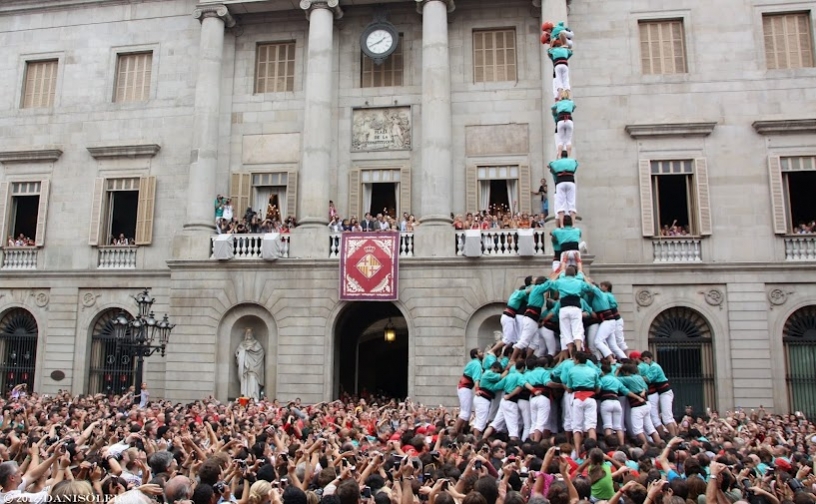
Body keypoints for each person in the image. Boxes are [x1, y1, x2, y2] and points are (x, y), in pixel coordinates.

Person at [640, 350, 678, 436]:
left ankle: (673, 437)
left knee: (667, 418)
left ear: (650, 358)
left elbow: (649, 379)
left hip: (665, 392)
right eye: (643, 360)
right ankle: (675, 436)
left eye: (646, 359)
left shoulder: (654, 367)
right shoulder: (651, 367)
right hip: (662, 393)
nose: (645, 361)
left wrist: (638, 377)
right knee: (668, 417)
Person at [455, 348, 483, 434]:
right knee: (465, 413)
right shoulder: (476, 364)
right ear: (476, 355)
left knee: (467, 413)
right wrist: (477, 390)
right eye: (480, 352)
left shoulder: (475, 363)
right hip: (464, 388)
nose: (483, 353)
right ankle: (453, 433)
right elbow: (476, 379)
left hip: (464, 388)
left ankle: (463, 432)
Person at [548, 152, 578, 229]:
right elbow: (576, 165)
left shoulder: (557, 162)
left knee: (560, 204)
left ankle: (561, 225)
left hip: (560, 182)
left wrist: (557, 160)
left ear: (561, 156)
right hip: (571, 181)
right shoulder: (572, 161)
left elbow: (550, 165)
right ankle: (574, 224)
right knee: (571, 203)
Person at [235, 327, 265, 400]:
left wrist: (251, 349)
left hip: (254, 367)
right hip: (245, 368)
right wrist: (243, 352)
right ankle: (244, 396)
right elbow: (237, 353)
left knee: (253, 380)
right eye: (247, 333)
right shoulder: (242, 344)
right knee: (245, 381)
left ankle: (254, 397)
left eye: (250, 333)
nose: (249, 335)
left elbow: (261, 352)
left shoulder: (256, 343)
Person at [551, 91, 575, 158]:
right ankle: (569, 156)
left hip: (560, 121)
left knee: (560, 140)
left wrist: (557, 108)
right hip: (569, 120)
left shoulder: (559, 103)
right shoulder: (571, 102)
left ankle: (559, 155)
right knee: (568, 140)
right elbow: (573, 107)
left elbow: (552, 108)